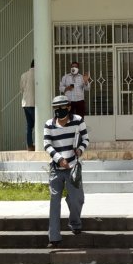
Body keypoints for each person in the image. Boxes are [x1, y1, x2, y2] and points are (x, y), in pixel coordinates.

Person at [44, 94, 89, 247]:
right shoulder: (49, 124)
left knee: (77, 199)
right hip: (56, 168)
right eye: (56, 108)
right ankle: (54, 237)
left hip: (73, 167)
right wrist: (58, 159)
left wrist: (80, 150)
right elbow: (47, 144)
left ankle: (75, 223)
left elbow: (86, 139)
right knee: (54, 202)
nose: (59, 111)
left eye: (62, 107)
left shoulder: (78, 120)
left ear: (68, 107)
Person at [19, 60, 36, 151]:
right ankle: (39, 144)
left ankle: (29, 145)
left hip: (25, 103)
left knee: (29, 125)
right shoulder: (38, 75)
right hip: (34, 103)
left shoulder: (24, 75)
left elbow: (21, 89)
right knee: (37, 124)